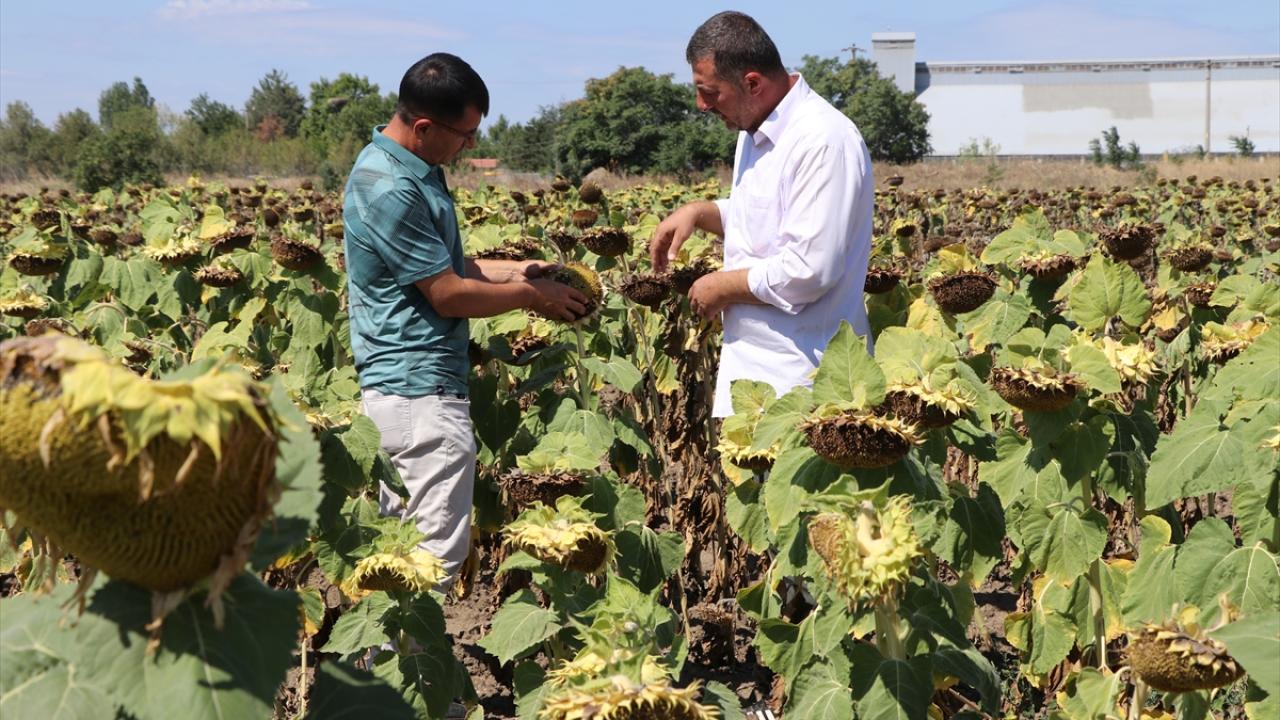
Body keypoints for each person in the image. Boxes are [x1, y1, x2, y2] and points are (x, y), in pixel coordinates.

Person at [343, 52, 586, 588]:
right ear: (424, 126)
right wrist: (531, 296)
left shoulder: (415, 167)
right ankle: (399, 669)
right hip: (417, 396)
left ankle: (390, 664)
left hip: (412, 395)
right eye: (465, 133)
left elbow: (448, 267)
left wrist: (517, 270)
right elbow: (449, 294)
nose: (471, 145)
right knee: (426, 565)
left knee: (401, 555)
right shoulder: (389, 186)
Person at [650, 11, 875, 418]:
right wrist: (702, 212)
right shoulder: (755, 132)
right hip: (757, 379)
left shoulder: (822, 140)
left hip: (805, 387)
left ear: (752, 83)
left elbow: (811, 268)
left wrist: (722, 286)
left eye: (709, 92)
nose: (701, 105)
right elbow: (769, 219)